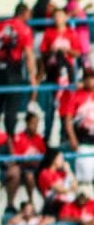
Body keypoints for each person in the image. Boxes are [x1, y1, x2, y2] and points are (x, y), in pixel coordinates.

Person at [0, 4, 38, 139]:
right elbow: (29, 55)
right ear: (24, 13)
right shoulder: (24, 30)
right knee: (11, 111)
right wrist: (32, 76)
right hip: (12, 70)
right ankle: (10, 143)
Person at [39, 8, 81, 145]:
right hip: (53, 72)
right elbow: (43, 53)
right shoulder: (49, 33)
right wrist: (51, 51)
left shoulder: (71, 33)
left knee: (67, 106)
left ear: (65, 18)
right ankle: (47, 135)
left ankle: (65, 134)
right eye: (55, 16)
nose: (58, 19)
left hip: (67, 74)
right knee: (50, 106)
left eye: (60, 16)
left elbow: (77, 52)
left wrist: (66, 50)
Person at [5, 110, 45, 212]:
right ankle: (10, 204)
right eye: (33, 123)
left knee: (34, 175)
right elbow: (16, 159)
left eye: (37, 124)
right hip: (22, 167)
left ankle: (33, 202)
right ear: (27, 123)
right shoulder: (19, 138)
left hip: (34, 168)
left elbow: (43, 157)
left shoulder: (39, 139)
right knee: (20, 173)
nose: (35, 126)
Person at [61, 70, 94, 186]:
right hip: (83, 141)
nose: (91, 81)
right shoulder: (76, 95)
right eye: (88, 78)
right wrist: (72, 138)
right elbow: (68, 120)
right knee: (85, 177)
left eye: (93, 77)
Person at [37, 148, 77, 216]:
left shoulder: (62, 173)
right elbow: (61, 190)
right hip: (53, 207)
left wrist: (69, 171)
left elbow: (75, 186)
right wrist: (70, 189)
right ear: (54, 159)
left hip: (66, 206)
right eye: (61, 158)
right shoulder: (45, 173)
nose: (63, 161)